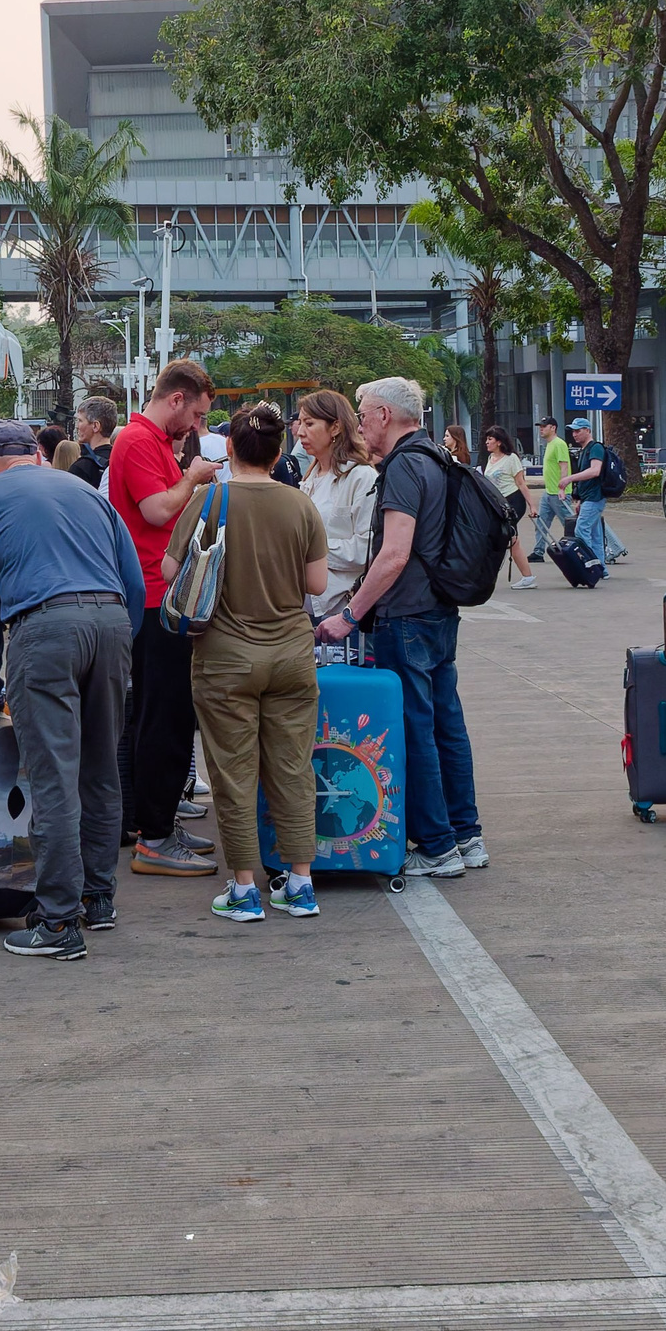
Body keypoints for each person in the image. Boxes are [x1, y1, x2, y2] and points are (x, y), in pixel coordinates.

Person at [0, 418, 145, 957]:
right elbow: (131, 582)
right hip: (111, 624)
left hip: (44, 629)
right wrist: (115, 639)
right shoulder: (85, 490)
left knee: (54, 778)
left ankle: (59, 924)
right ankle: (99, 898)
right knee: (101, 769)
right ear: (36, 457)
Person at [161, 402, 330, 923]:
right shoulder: (301, 505)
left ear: (229, 448)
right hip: (291, 657)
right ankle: (299, 884)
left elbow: (171, 569)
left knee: (234, 774)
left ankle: (243, 891)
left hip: (225, 658)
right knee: (293, 768)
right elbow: (317, 585)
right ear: (279, 452)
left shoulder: (210, 499)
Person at [316, 377, 486, 878]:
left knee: (416, 729)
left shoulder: (403, 467)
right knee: (445, 725)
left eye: (364, 413)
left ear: (385, 415)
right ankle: (465, 834)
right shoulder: (436, 457)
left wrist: (349, 616)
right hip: (437, 610)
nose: (361, 424)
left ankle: (436, 845)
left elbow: (393, 554)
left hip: (406, 615)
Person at [105, 360, 223, 875]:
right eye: (196, 414)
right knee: (163, 718)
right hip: (153, 599)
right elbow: (156, 511)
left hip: (161, 596)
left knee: (165, 716)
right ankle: (154, 836)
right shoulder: (137, 441)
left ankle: (157, 823)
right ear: (176, 399)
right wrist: (194, 479)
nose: (197, 427)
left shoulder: (151, 441)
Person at [294, 389, 378, 622]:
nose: (300, 432)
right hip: (306, 608)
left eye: (309, 424)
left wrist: (311, 552)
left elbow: (367, 549)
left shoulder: (361, 477)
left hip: (342, 610)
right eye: (300, 423)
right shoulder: (311, 477)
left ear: (335, 427)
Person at [481, 426, 538, 589]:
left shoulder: (511, 458)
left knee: (510, 538)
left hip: (513, 502)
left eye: (490, 439)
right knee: (505, 539)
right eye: (487, 439)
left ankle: (527, 577)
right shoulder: (491, 458)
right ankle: (524, 576)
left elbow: (521, 483)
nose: (487, 442)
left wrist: (532, 506)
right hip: (497, 503)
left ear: (499, 442)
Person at [567, 421, 630, 565]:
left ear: (588, 430)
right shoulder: (585, 450)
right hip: (590, 498)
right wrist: (580, 500)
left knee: (582, 531)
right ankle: (601, 569)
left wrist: (569, 479)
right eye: (573, 431)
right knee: (596, 536)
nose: (574, 434)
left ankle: (589, 565)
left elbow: (594, 471)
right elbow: (586, 481)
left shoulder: (595, 448)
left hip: (594, 498)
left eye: (578, 431)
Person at [532, 417, 574, 557]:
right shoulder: (549, 444)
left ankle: (577, 549)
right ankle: (538, 552)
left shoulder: (559, 444)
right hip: (549, 492)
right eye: (540, 427)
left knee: (569, 525)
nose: (541, 429)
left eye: (544, 426)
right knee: (541, 523)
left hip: (559, 493)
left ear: (553, 428)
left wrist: (562, 487)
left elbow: (564, 466)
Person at [71, 396, 121, 487]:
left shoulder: (81, 468)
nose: (77, 426)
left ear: (95, 426)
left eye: (80, 420)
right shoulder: (122, 460)